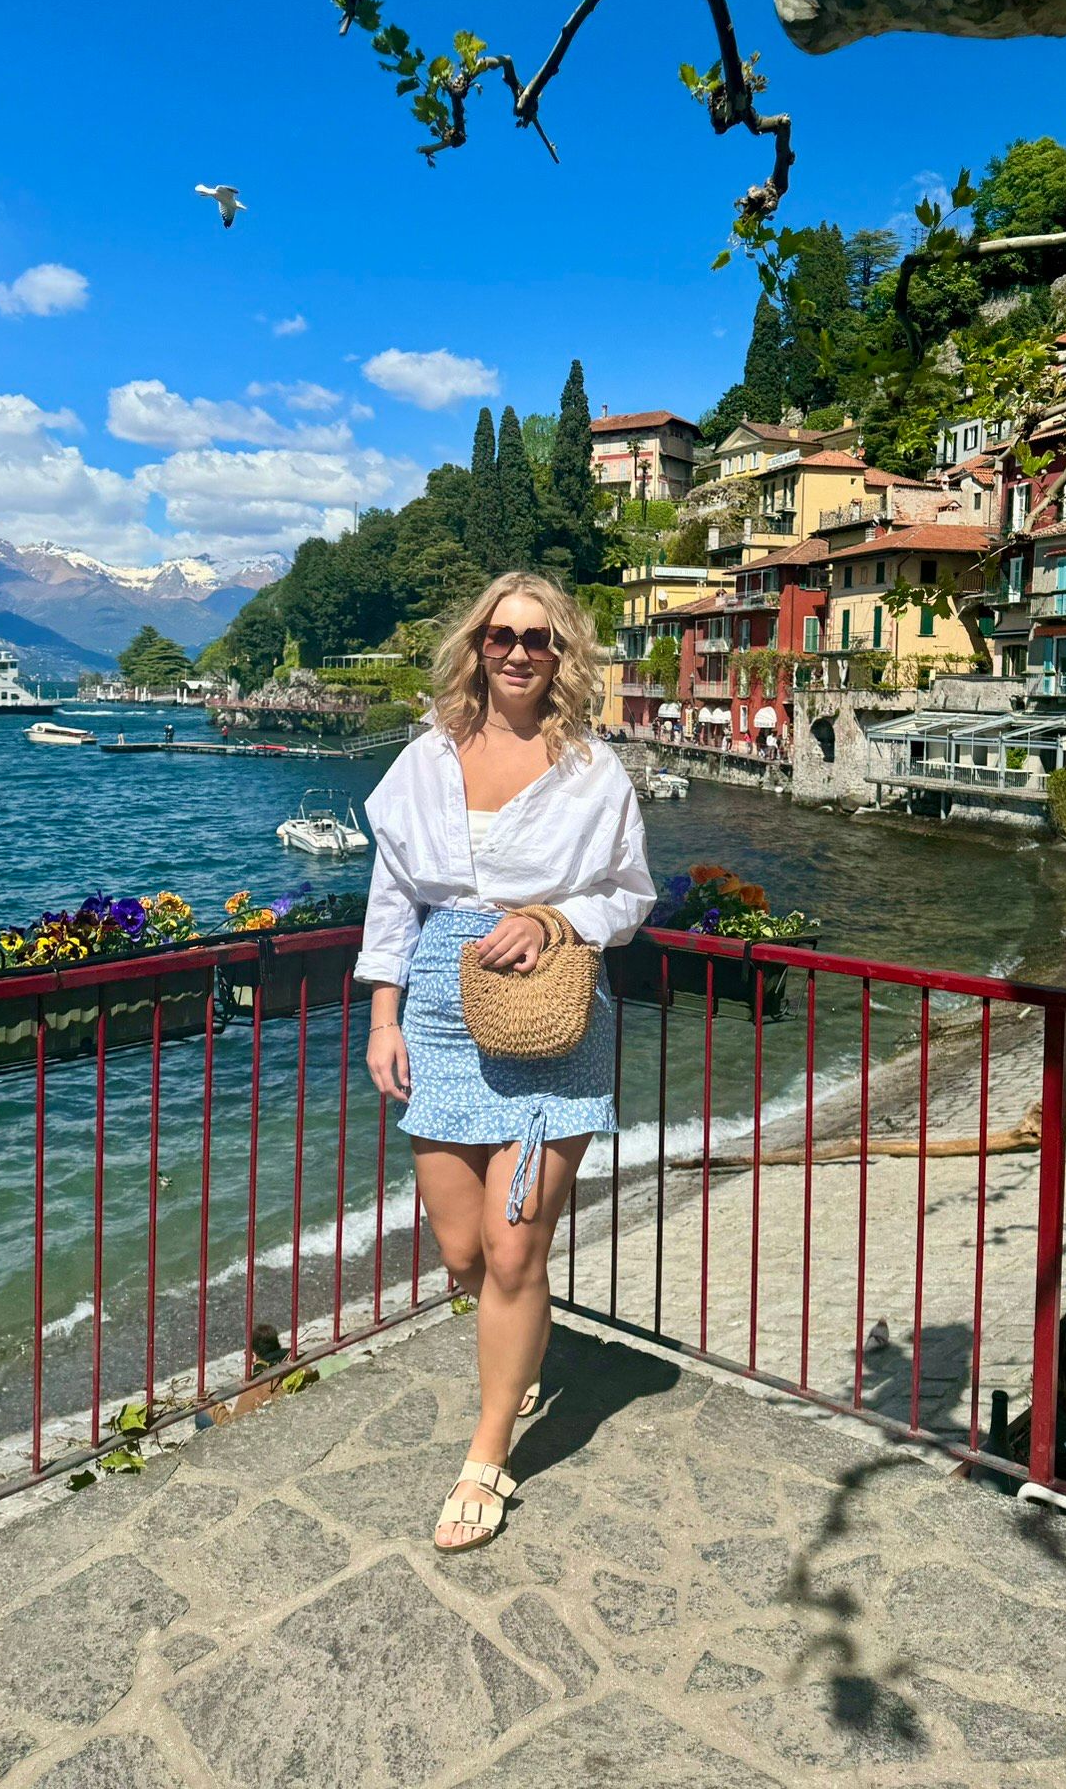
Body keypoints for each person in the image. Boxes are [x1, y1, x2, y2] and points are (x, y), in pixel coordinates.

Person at [357, 571, 656, 1553]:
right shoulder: (425, 760)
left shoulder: (592, 772)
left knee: (517, 1247)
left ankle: (487, 1454)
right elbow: (393, 899)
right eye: (501, 635)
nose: (519, 651)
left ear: (562, 652)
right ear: (476, 647)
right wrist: (385, 1017)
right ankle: (520, 1341)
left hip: (550, 1015)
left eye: (538, 637)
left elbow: (630, 895)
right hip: (440, 1015)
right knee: (464, 1253)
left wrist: (550, 916)